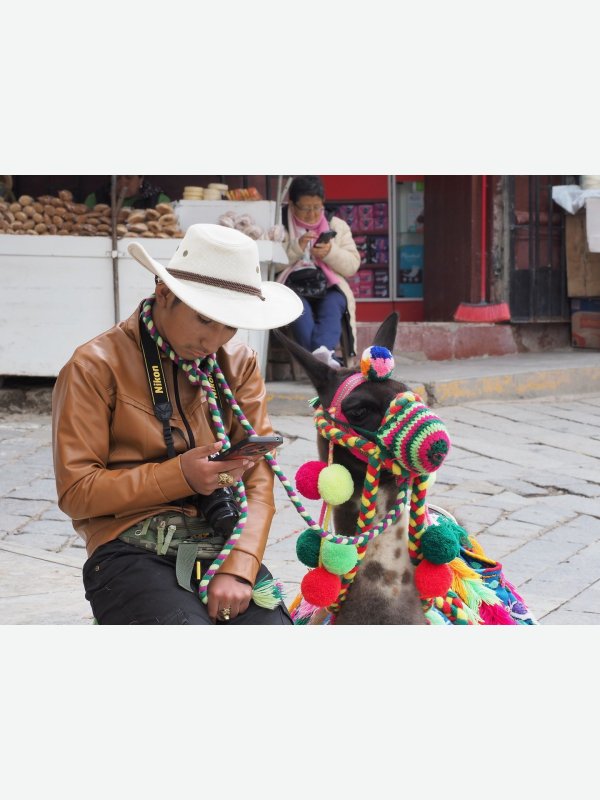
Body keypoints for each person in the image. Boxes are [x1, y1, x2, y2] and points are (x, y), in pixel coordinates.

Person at [52, 223, 303, 625]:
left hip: (222, 536)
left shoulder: (237, 363)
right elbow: (77, 493)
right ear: (164, 291)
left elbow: (259, 479)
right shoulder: (94, 365)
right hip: (126, 547)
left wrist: (241, 563)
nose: (215, 339)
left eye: (229, 323)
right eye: (205, 319)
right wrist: (180, 476)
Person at [276, 175, 360, 369]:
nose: (312, 214)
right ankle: (325, 360)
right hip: (293, 285)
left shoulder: (336, 225)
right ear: (292, 204)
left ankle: (317, 361)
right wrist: (296, 247)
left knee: (334, 305)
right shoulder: (279, 224)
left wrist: (330, 252)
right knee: (298, 310)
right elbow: (272, 265)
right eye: (305, 208)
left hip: (329, 284)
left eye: (317, 207)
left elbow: (352, 265)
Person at [84, 175, 170, 209]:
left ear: (141, 179)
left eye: (128, 177)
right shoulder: (96, 198)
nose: (122, 182)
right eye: (117, 178)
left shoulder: (158, 200)